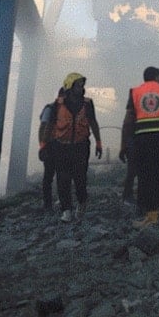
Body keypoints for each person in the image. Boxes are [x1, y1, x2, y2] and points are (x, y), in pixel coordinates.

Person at [121, 67, 159, 227]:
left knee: (146, 177)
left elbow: (128, 121)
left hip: (143, 141)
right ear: (156, 77)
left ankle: (152, 215)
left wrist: (124, 145)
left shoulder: (135, 92)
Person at [50, 72, 103, 222]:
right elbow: (50, 125)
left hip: (81, 146)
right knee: (62, 178)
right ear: (70, 87)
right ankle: (66, 209)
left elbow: (93, 122)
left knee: (80, 178)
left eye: (82, 85)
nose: (81, 88)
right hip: (61, 146)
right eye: (78, 85)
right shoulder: (58, 104)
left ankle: (82, 201)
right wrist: (45, 145)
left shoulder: (87, 103)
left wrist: (98, 142)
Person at [37, 89, 63, 212]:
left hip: (62, 146)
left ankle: (61, 201)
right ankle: (47, 203)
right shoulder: (51, 109)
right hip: (51, 146)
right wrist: (42, 147)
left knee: (62, 174)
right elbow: (42, 128)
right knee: (49, 176)